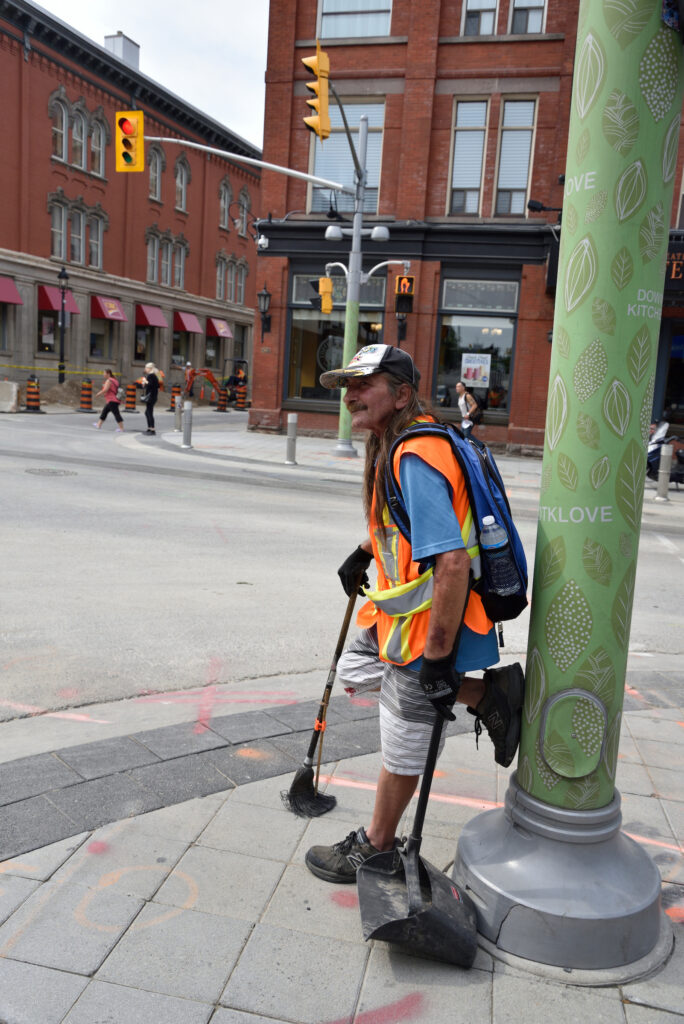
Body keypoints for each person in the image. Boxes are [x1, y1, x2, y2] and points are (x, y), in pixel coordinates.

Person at [304, 344, 524, 884]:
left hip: (428, 626)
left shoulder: (414, 454)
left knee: (403, 740)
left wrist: (437, 659)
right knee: (356, 671)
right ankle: (484, 694)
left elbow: (450, 562)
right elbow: (414, 528)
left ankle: (377, 846)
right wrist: (367, 549)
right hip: (400, 619)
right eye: (346, 386)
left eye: (365, 385)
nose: (351, 395)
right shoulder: (399, 441)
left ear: (402, 394)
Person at [141, 362, 160, 435]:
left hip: (151, 397)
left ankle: (152, 429)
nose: (145, 369)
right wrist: (145, 383)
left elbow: (150, 385)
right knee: (147, 412)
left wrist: (145, 381)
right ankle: (150, 428)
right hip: (153, 396)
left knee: (149, 412)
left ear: (149, 368)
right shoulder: (153, 376)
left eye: (146, 368)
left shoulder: (151, 376)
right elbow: (157, 386)